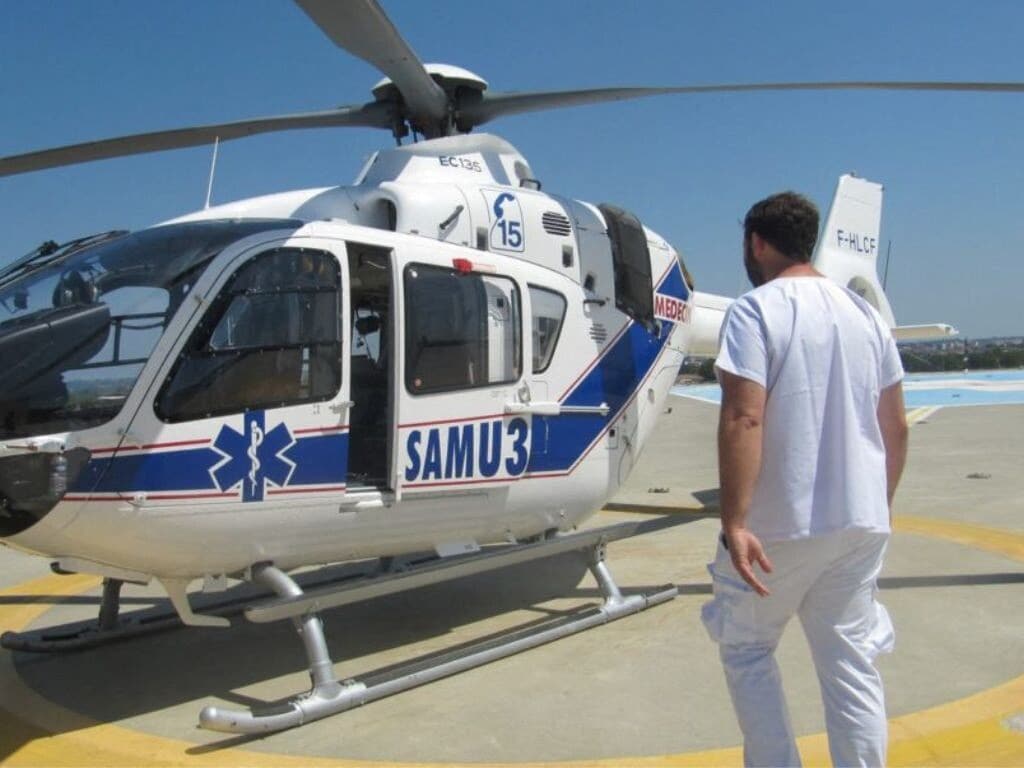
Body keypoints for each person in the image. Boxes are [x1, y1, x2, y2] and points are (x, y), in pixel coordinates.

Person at [701, 191, 909, 767]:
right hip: (860, 526)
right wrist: (878, 507)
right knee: (850, 663)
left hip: (779, 528)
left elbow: (744, 416)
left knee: (747, 649)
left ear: (757, 243)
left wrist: (734, 521)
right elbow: (895, 427)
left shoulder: (755, 310)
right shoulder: (866, 316)